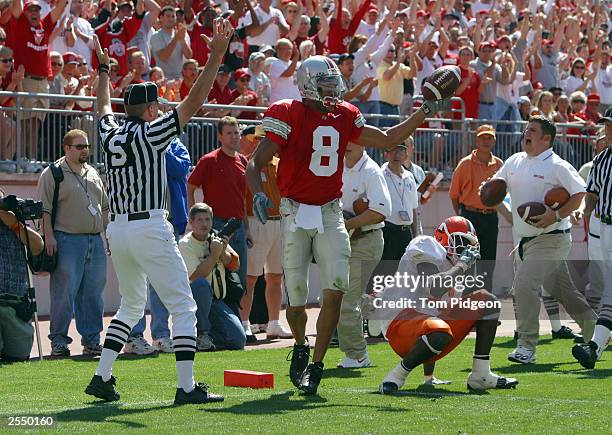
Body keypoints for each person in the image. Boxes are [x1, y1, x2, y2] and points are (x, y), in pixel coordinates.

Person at [247, 55, 451, 395]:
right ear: (308, 85)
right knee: (296, 300)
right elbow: (256, 164)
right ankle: (300, 344)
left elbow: (387, 139)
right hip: (295, 212)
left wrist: (425, 111)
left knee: (335, 292)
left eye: (333, 84)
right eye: (326, 85)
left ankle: (317, 364)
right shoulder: (288, 111)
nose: (333, 90)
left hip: (329, 212)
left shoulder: (345, 114)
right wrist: (257, 194)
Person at [85, 18, 232, 405]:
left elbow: (102, 107)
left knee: (131, 304)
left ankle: (102, 377)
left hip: (117, 229)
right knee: (182, 304)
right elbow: (194, 102)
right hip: (149, 225)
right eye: (156, 106)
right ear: (150, 109)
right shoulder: (150, 132)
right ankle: (185, 387)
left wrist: (103, 71)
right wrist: (215, 56)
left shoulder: (111, 132)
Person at [492, 115, 597, 365]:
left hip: (552, 238)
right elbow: (498, 185)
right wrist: (488, 189)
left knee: (524, 284)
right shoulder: (514, 160)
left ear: (546, 138)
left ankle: (526, 346)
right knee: (566, 292)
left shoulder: (557, 165)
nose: (525, 133)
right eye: (525, 129)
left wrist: (557, 214)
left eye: (532, 130)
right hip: (525, 241)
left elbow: (580, 192)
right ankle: (598, 333)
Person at [372, 216, 518, 393]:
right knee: (439, 329)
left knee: (488, 302)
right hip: (399, 326)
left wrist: (428, 377)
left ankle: (481, 374)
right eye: (461, 241)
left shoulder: (456, 274)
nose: (464, 248)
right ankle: (396, 376)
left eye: (469, 244)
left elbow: (434, 314)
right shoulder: (426, 244)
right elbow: (434, 288)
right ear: (443, 236)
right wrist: (462, 265)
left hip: (425, 329)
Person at [37, 129, 108, 357]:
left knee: (94, 293)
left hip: (94, 240)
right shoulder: (53, 173)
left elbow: (104, 207)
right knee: (64, 292)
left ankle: (92, 340)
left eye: (87, 146)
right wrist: (49, 237)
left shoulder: (93, 172)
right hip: (67, 239)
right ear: (66, 148)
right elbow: (44, 209)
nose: (85, 150)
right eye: (79, 146)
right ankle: (58, 340)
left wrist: (108, 236)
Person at [126, 136, 191, 355]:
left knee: (162, 282)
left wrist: (160, 148)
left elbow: (180, 168)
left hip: (169, 222)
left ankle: (161, 335)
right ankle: (134, 336)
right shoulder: (137, 144)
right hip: (141, 220)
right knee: (137, 281)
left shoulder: (175, 145)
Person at [337, 141, 391, 368]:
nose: (347, 143)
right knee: (334, 297)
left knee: (346, 299)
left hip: (366, 240)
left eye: (352, 139)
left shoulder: (371, 170)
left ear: (363, 143)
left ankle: (358, 355)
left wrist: (348, 223)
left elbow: (381, 211)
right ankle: (379, 306)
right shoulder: (338, 165)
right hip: (343, 238)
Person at [187, 116, 251, 290]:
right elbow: (191, 186)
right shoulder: (209, 160)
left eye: (236, 132)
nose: (234, 136)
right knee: (218, 281)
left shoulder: (243, 161)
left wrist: (247, 229)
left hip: (237, 227)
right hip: (216, 226)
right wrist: (193, 219)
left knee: (239, 283)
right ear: (219, 136)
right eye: (229, 133)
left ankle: (239, 319)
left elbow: (242, 198)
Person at [241, 126, 292, 342]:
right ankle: (244, 323)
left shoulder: (279, 164)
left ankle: (273, 323)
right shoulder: (246, 164)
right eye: (258, 139)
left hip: (278, 221)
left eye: (264, 139)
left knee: (275, 277)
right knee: (251, 278)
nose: (261, 143)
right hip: (255, 221)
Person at [573, 107, 612, 369]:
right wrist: (581, 211)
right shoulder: (600, 159)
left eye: (611, 125)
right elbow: (592, 195)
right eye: (606, 125)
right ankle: (597, 345)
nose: (607, 130)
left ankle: (595, 347)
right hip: (605, 229)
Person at [179, 203, 246, 351]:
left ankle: (205, 336)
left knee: (238, 340)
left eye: (208, 219)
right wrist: (214, 254)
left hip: (217, 301)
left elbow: (235, 265)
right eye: (200, 220)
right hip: (195, 301)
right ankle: (201, 334)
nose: (204, 224)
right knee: (201, 285)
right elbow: (196, 277)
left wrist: (221, 252)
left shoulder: (215, 236)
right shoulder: (185, 244)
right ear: (191, 222)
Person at [449, 125, 502, 292]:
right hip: (469, 217)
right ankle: (467, 311)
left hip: (491, 217)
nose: (486, 141)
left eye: (489, 138)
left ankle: (486, 310)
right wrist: (461, 215)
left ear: (494, 140)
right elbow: (454, 194)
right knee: (468, 265)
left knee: (488, 264)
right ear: (477, 139)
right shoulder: (465, 164)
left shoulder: (499, 164)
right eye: (483, 137)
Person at [0, 188, 44, 362]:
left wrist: (15, 224)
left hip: (16, 303)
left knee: (18, 357)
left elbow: (38, 246)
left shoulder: (14, 223)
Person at [380, 143, 419, 260]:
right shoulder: (380, 175)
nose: (396, 155)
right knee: (385, 273)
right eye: (392, 151)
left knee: (404, 273)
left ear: (406, 154)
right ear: (385, 154)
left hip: (405, 232)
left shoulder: (410, 176)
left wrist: (415, 234)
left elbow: (413, 207)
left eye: (400, 151)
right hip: (387, 231)